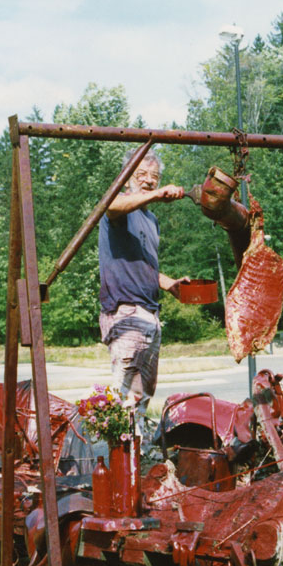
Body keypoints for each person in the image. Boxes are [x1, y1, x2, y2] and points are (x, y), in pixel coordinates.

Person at [98, 152, 187, 433]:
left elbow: (145, 265)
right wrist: (157, 194)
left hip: (150, 315)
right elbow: (110, 206)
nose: (148, 181)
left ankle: (132, 459)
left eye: (154, 177)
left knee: (140, 400)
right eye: (141, 176)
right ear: (127, 180)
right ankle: (110, 462)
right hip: (126, 311)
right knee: (119, 399)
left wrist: (170, 283)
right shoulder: (120, 208)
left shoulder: (151, 221)